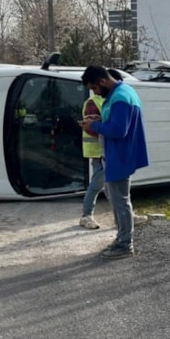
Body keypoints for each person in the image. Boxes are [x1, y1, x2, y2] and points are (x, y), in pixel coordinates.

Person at [79, 66, 149, 259]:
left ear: (102, 81)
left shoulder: (120, 98)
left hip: (120, 157)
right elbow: (116, 123)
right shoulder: (119, 94)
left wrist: (93, 125)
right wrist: (100, 119)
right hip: (115, 156)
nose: (95, 93)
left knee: (120, 202)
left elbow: (119, 131)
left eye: (94, 88)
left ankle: (125, 245)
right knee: (118, 200)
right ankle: (122, 239)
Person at [78, 85, 105, 230]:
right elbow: (89, 127)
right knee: (97, 183)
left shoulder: (106, 100)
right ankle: (86, 215)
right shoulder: (93, 102)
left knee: (109, 184)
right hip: (98, 150)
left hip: (104, 150)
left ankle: (125, 215)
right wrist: (108, 134)